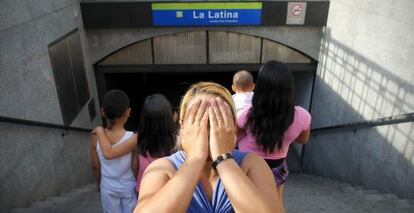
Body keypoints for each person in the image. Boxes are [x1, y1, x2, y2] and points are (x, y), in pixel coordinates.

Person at [135, 82, 284, 213]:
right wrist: (195, 159)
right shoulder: (162, 169)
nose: (209, 132)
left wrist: (223, 159)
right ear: (182, 126)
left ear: (233, 127)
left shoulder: (252, 164)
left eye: (218, 120)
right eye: (198, 120)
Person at [237, 61, 312, 203]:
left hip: (247, 166)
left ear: (259, 88)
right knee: (276, 202)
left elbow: (233, 136)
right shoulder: (302, 116)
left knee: (246, 203)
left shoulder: (246, 115)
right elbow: (303, 140)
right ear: (290, 88)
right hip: (277, 167)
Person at [94, 94, 177, 196]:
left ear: (144, 117)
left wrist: (99, 130)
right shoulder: (177, 140)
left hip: (145, 190)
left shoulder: (139, 139)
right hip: (169, 190)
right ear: (169, 116)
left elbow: (134, 167)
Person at [90, 90, 138, 213]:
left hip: (107, 186)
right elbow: (134, 166)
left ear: (102, 112)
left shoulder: (95, 136)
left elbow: (95, 166)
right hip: (128, 186)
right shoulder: (133, 137)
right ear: (128, 112)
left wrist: (98, 183)